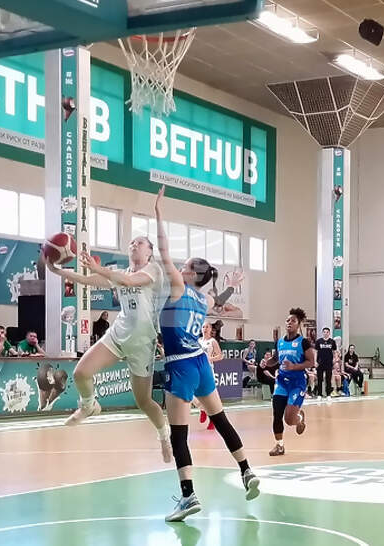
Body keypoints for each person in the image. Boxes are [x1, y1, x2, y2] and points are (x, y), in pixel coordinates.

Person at [154, 186, 259, 522]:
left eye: (184, 266)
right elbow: (220, 299)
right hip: (200, 363)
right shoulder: (203, 299)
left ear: (189, 273)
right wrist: (232, 285)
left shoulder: (178, 286)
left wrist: (158, 212)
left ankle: (188, 496)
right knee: (221, 420)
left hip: (180, 366)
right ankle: (246, 470)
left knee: (179, 434)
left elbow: (163, 249)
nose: (179, 267)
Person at [46, 218, 172, 464]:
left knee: (144, 402)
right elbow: (86, 280)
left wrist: (98, 268)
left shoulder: (153, 271)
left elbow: (129, 282)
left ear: (149, 252)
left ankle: (163, 436)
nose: (134, 244)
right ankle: (89, 405)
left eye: (140, 243)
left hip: (142, 344)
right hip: (118, 334)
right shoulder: (119, 274)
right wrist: (57, 270)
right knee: (81, 373)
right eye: (131, 242)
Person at [269, 308, 315, 456]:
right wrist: (266, 363)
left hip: (297, 383)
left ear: (298, 324)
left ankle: (299, 417)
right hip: (282, 382)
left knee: (289, 420)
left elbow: (311, 362)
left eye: (293, 321)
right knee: (277, 414)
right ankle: (279, 445)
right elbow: (275, 359)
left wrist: (294, 366)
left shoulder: (303, 342)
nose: (289, 323)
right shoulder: (280, 342)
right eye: (288, 320)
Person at [197, 322, 223, 430]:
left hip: (208, 370)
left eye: (207, 327)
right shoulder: (198, 341)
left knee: (210, 395)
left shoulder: (212, 341)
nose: (205, 328)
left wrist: (210, 359)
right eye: (203, 327)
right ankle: (202, 409)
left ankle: (213, 419)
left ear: (211, 329)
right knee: (194, 393)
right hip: (197, 369)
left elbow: (220, 356)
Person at [314, 327, 337, 398]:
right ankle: (319, 394)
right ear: (322, 333)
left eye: (327, 332)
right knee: (319, 379)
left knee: (328, 379)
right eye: (324, 332)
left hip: (329, 363)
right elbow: (315, 352)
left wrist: (335, 359)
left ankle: (328, 394)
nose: (326, 333)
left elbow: (334, 352)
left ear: (329, 333)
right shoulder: (318, 341)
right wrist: (315, 361)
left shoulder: (332, 341)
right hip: (320, 362)